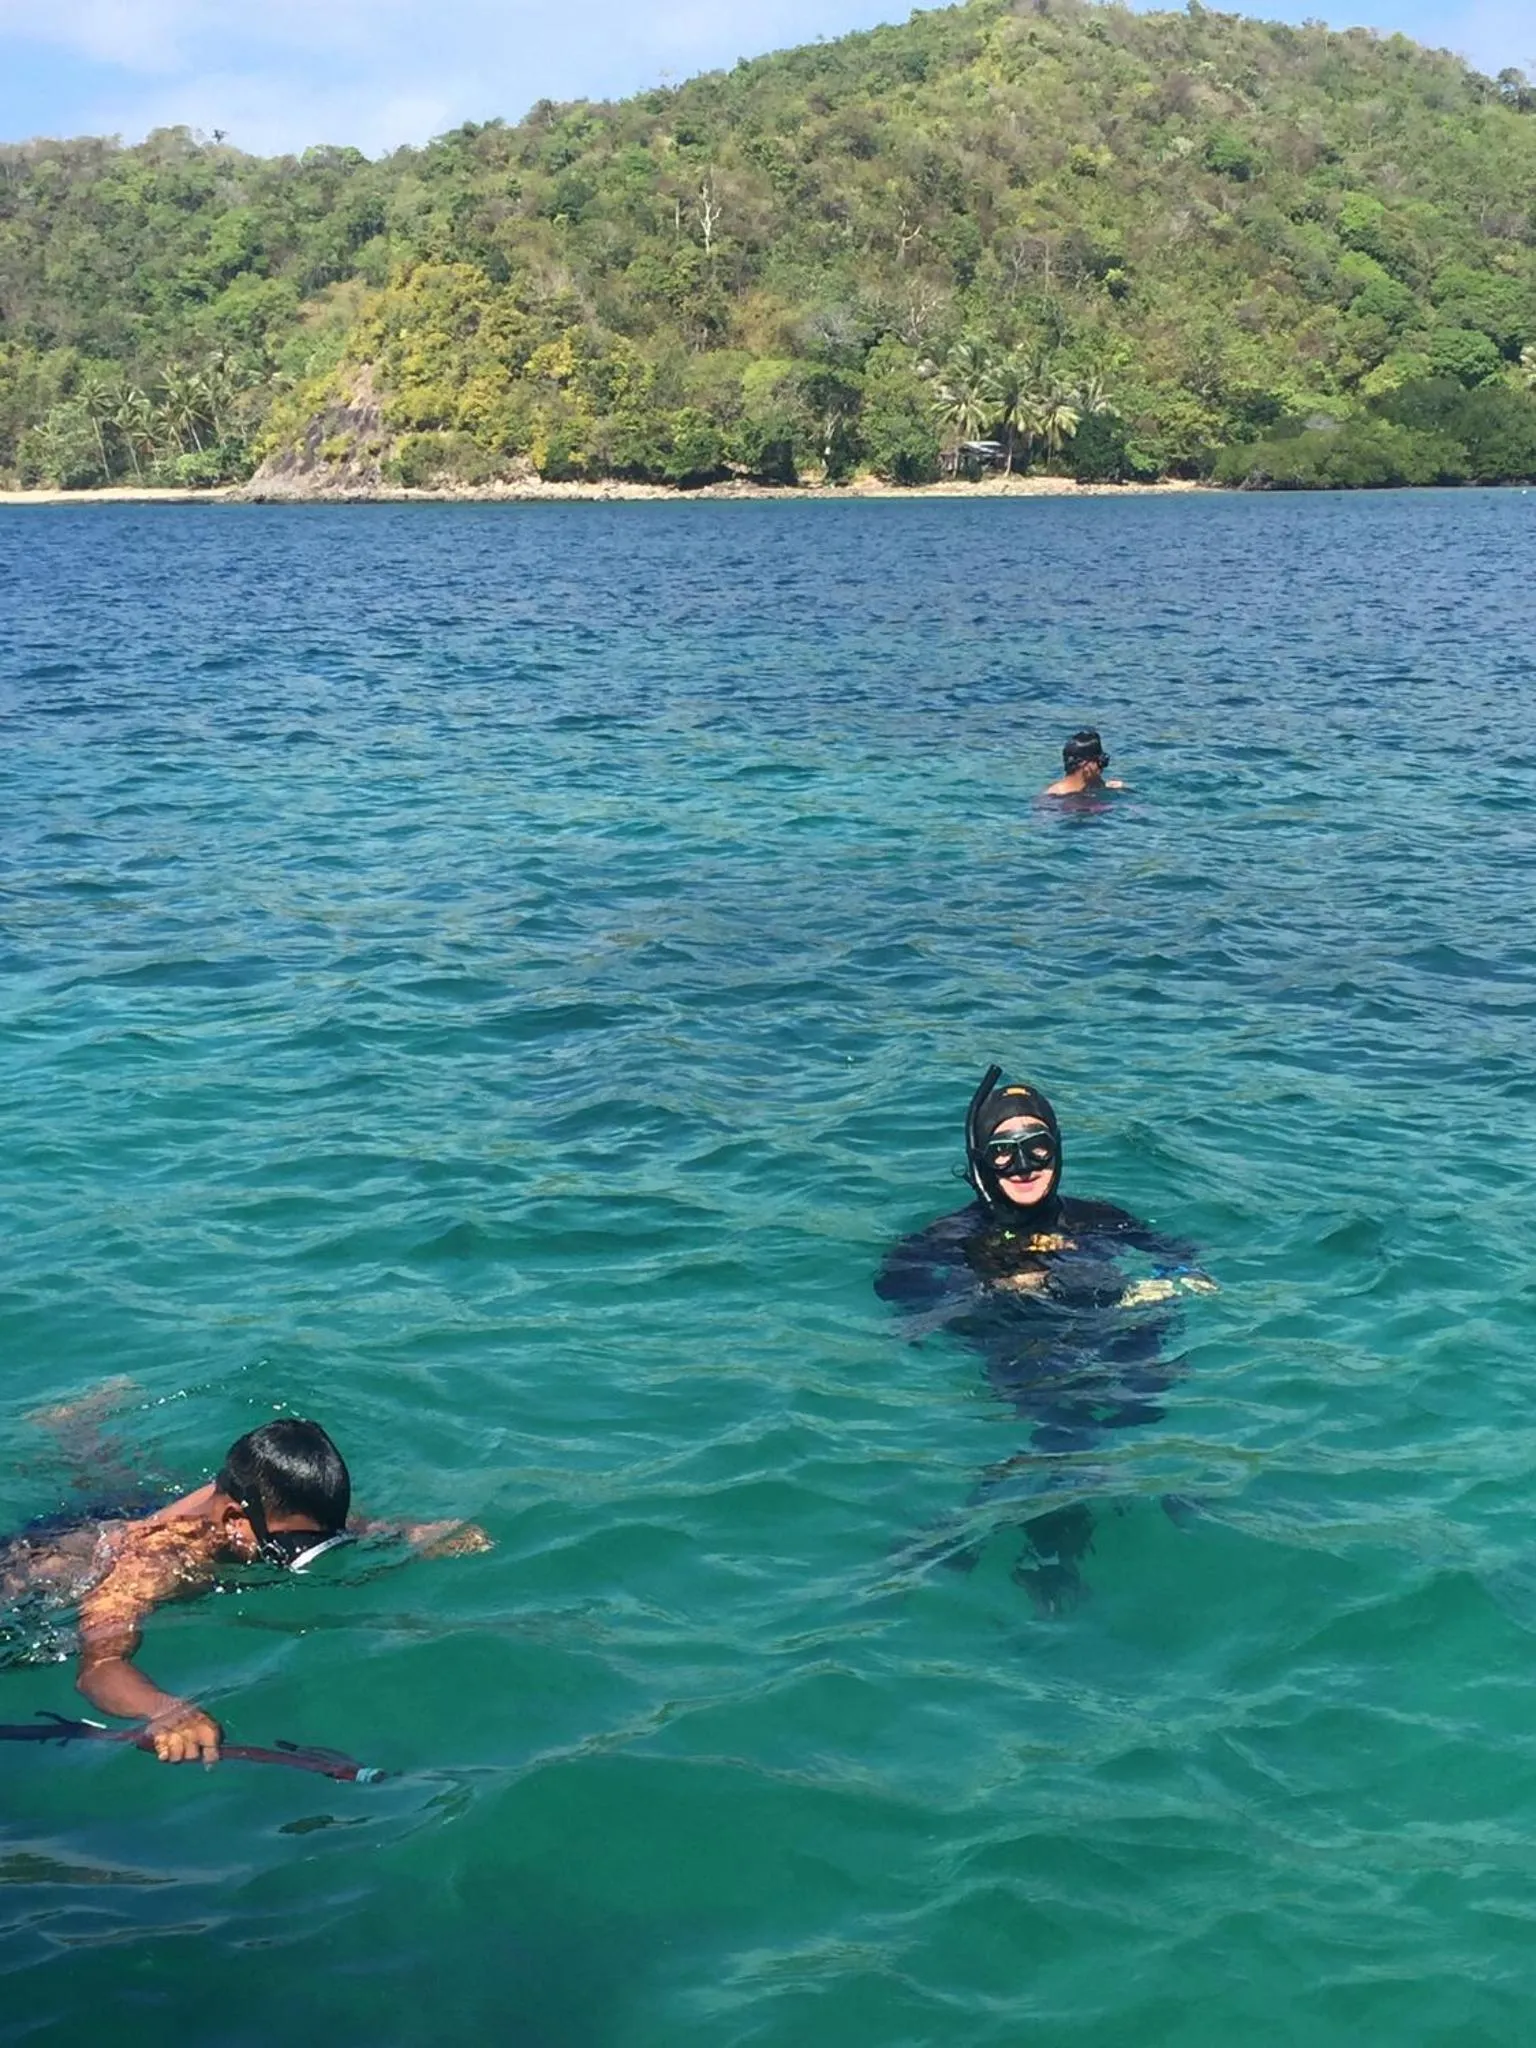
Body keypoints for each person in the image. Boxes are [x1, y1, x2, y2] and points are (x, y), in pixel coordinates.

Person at [875, 1066, 1213, 1609]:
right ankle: (1044, 1549)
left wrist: (1178, 1281)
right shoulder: (951, 1238)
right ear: (981, 1161)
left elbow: (1174, 1252)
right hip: (1021, 1341)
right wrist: (994, 1289)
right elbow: (900, 1290)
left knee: (1135, 1400)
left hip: (1111, 1334)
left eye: (1038, 1146)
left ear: (1057, 1150)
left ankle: (1015, 1511)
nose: (1024, 1165)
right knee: (1067, 1419)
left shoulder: (1097, 1218)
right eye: (1005, 1151)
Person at [0, 1417, 490, 1764]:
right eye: (292, 1544)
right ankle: (75, 1429)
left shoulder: (259, 1517)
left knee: (126, 1490)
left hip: (197, 1513)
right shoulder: (153, 1565)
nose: (302, 1552)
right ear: (236, 1520)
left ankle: (79, 1430)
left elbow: (318, 1526)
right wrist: (166, 1709)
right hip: (38, 1569)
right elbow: (100, 1668)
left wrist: (414, 1533)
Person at [1044, 728, 1125, 797]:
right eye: (1100, 762)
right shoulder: (1053, 799)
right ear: (1086, 765)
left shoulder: (1092, 785)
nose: (1101, 769)